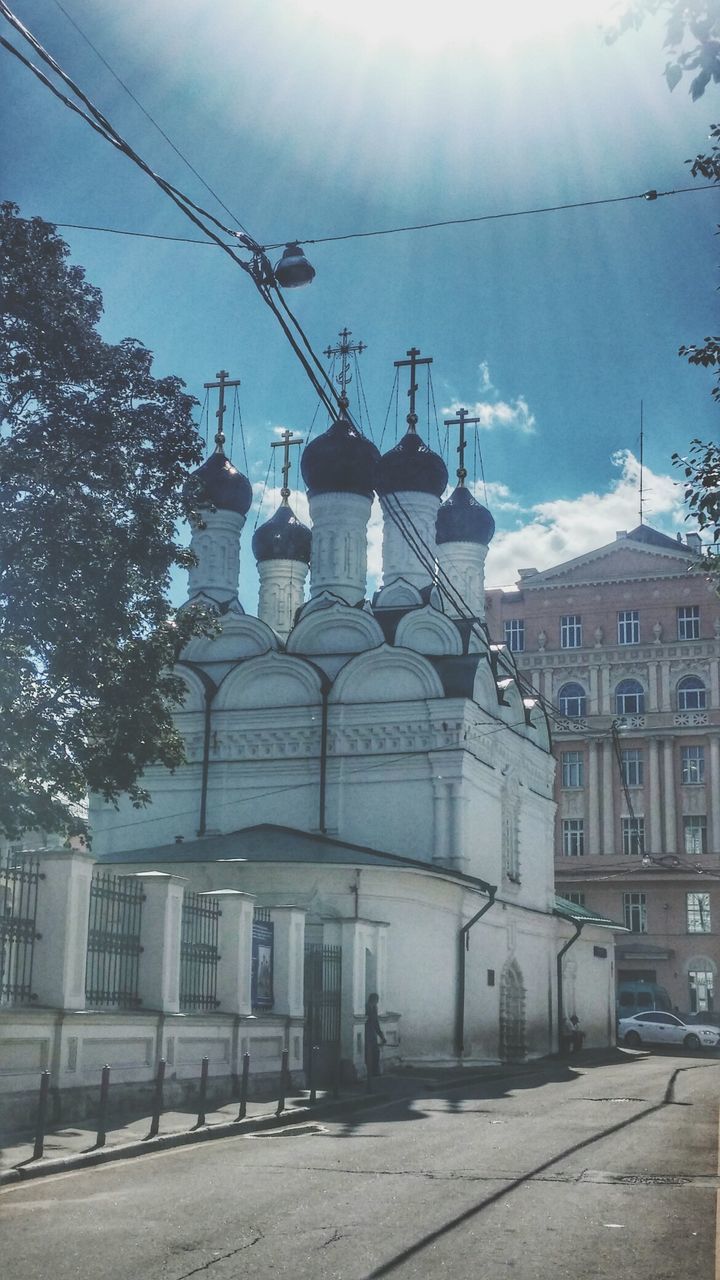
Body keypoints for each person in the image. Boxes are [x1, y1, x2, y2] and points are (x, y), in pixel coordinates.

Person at [365, 992, 387, 1077]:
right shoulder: (366, 1007)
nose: (376, 1003)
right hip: (366, 1032)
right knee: (369, 1052)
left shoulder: (374, 1008)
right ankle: (371, 1070)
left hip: (372, 1032)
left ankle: (374, 1070)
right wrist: (381, 1035)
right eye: (375, 1001)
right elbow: (373, 1021)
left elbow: (376, 1022)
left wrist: (381, 1035)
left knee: (375, 1052)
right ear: (373, 1000)